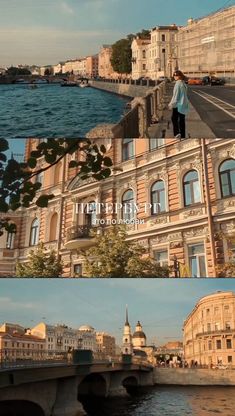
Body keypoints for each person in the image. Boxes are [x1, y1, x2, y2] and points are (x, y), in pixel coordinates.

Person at [169, 70, 190, 139]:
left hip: (178, 105)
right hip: (184, 104)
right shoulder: (183, 83)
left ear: (180, 76)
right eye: (174, 75)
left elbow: (176, 96)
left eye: (176, 75)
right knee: (181, 120)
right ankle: (182, 135)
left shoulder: (177, 84)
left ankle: (177, 134)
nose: (175, 76)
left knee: (174, 119)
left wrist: (171, 104)